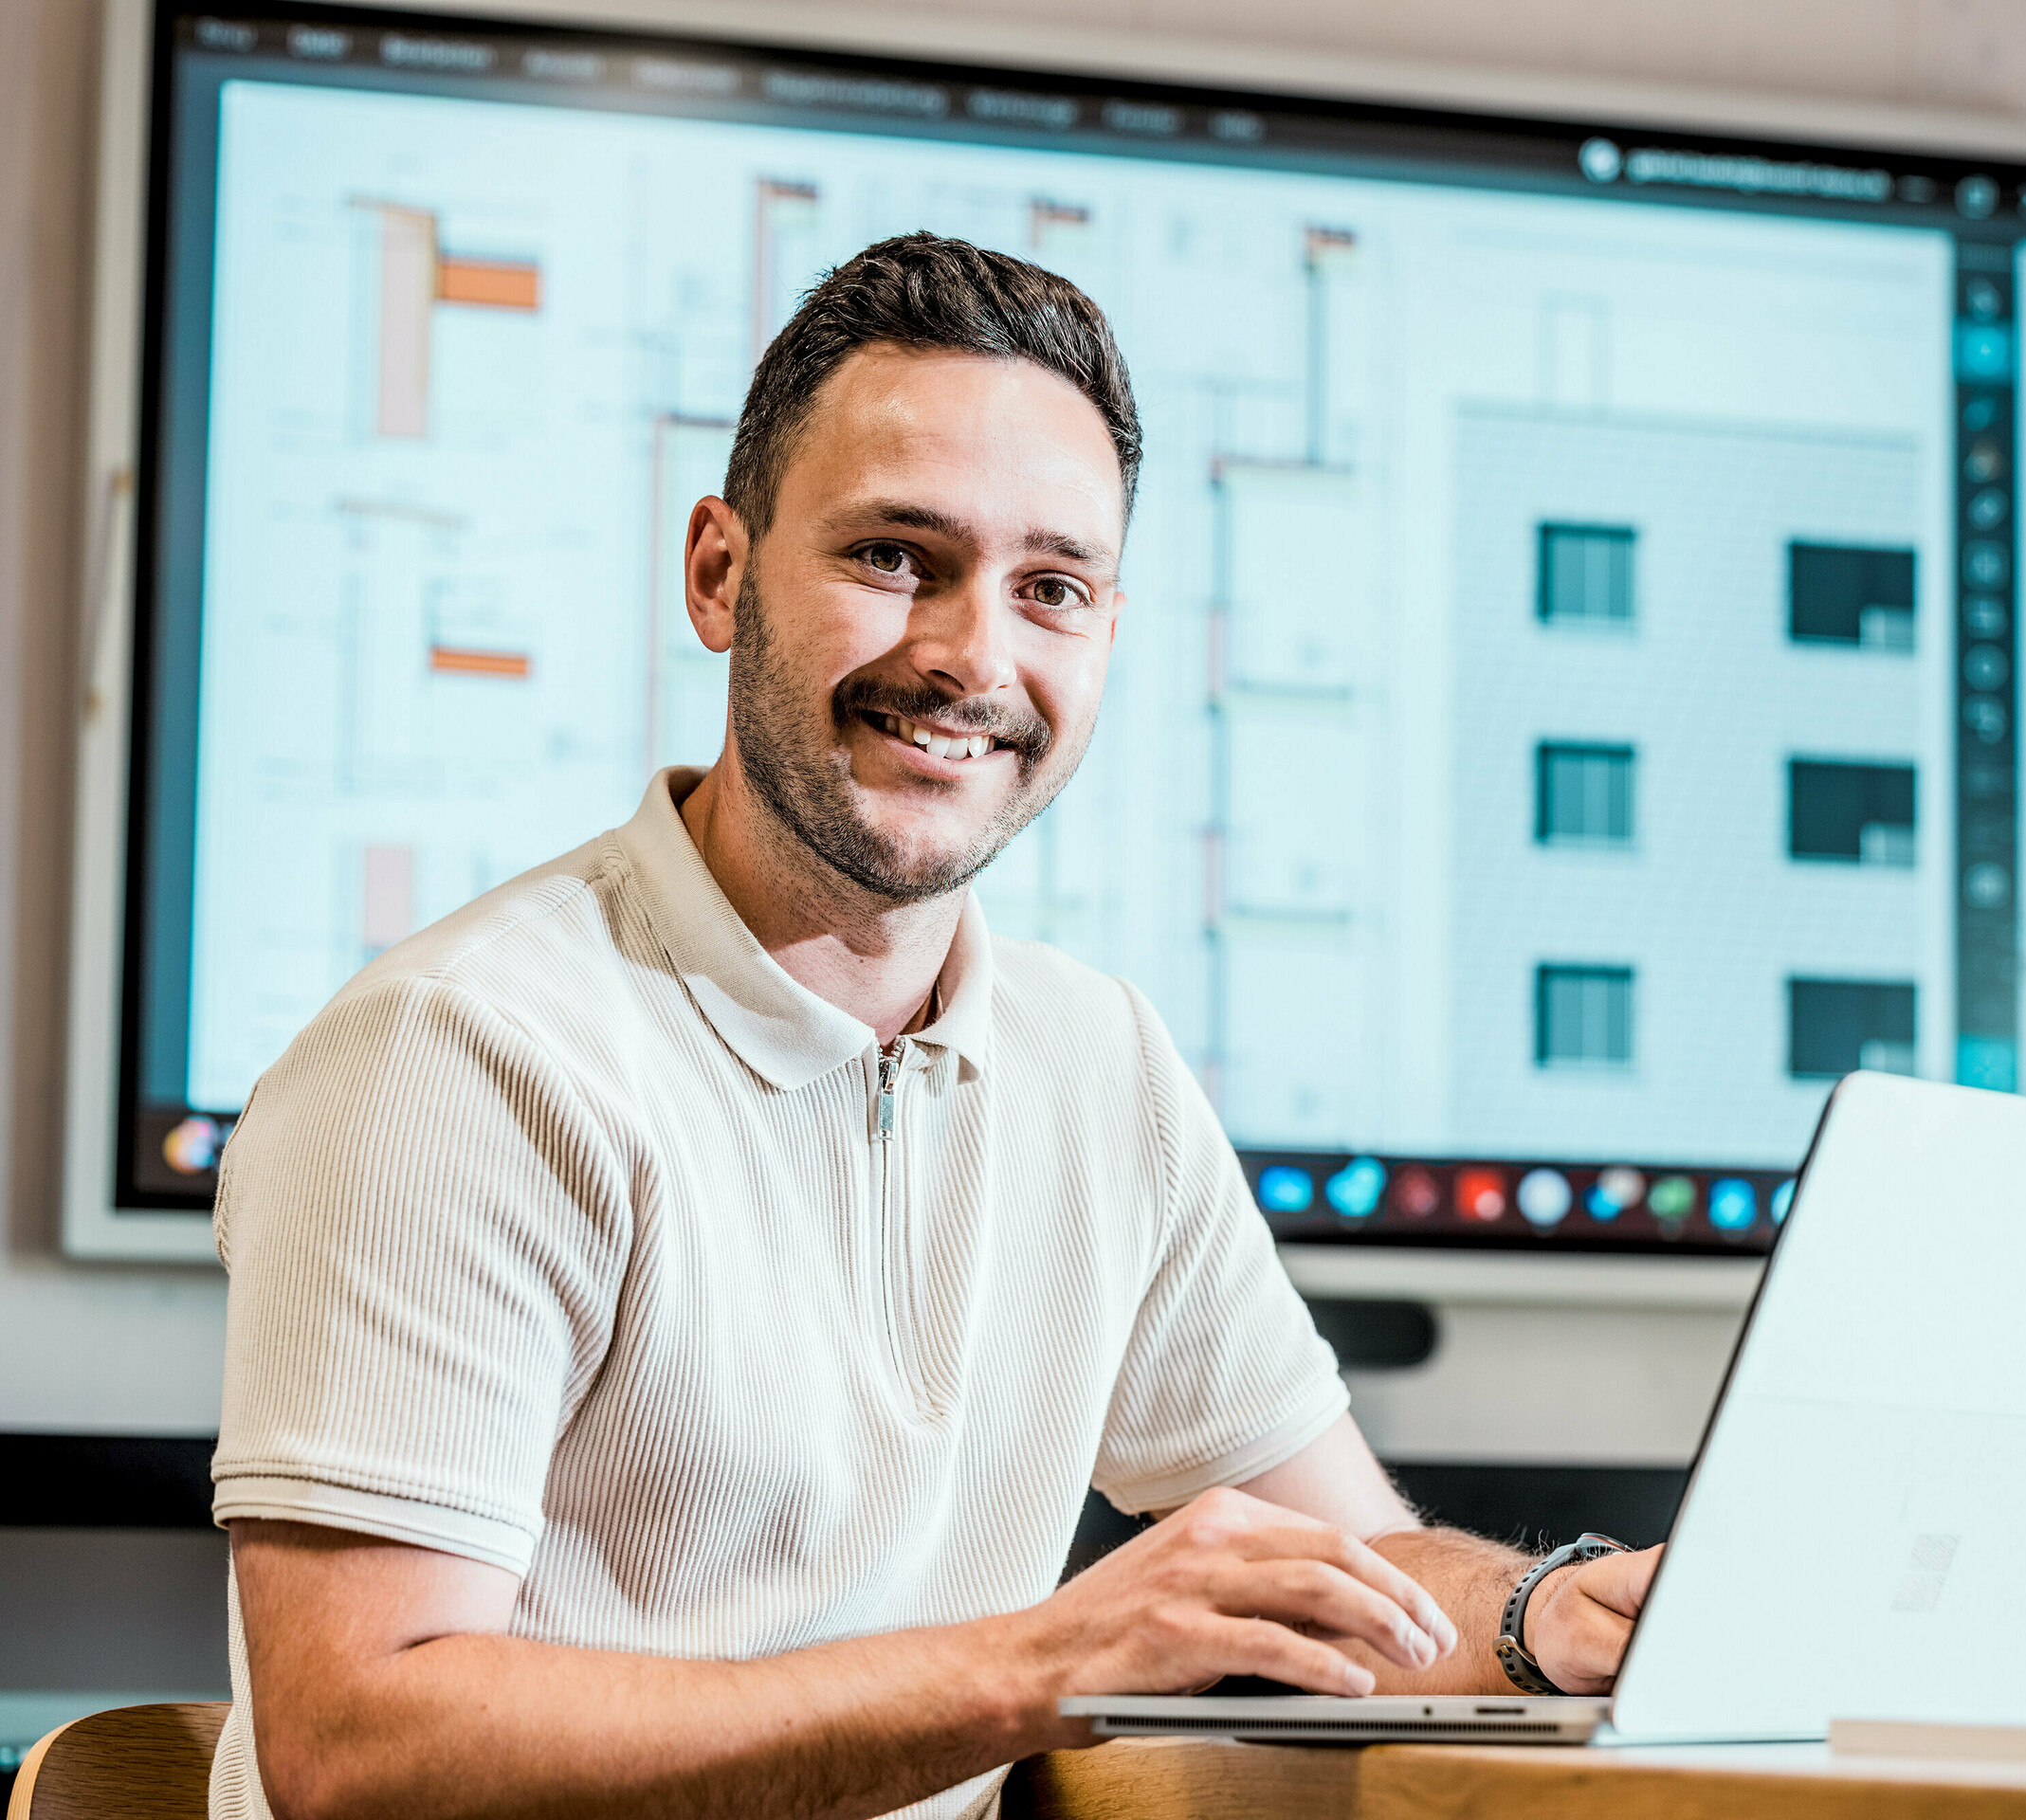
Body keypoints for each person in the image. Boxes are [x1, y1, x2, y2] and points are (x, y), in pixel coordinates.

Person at [208, 232, 1660, 1820]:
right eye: (897, 555)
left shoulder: (1098, 1064)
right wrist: (1038, 1667)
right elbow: (360, 1741)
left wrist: (1544, 1622)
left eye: (1052, 587)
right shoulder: (455, 1054)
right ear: (719, 573)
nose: (974, 656)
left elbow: (1347, 1573)